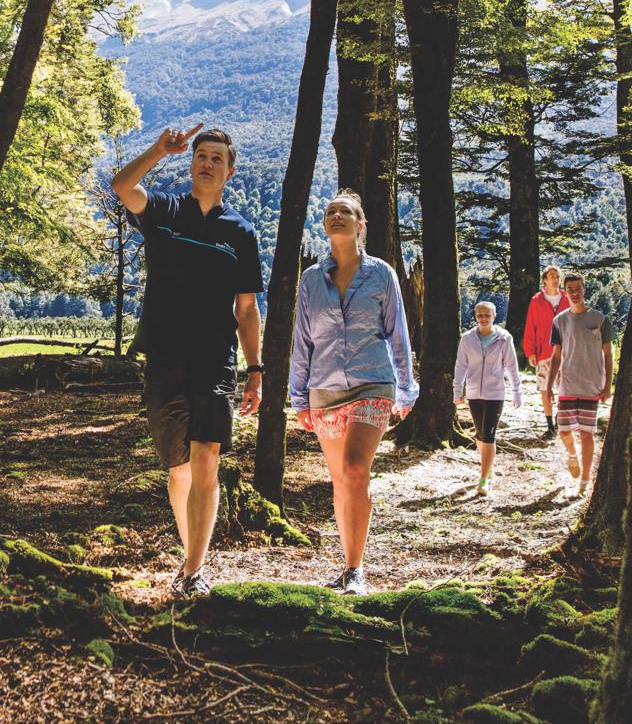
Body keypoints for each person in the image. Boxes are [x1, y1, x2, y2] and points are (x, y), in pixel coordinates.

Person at [111, 124, 263, 598]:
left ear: (229, 171)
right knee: (177, 468)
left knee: (206, 459)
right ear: (190, 162)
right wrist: (159, 149)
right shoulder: (165, 211)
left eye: (217, 158)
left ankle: (194, 572)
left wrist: (254, 370)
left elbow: (246, 308)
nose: (207, 162)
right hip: (164, 357)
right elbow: (121, 188)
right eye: (201, 155)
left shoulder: (241, 232)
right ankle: (190, 555)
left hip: (215, 360)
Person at [290, 191, 417, 596]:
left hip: (372, 383)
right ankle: (346, 568)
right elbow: (302, 340)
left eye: (345, 212)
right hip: (324, 388)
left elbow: (398, 333)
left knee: (355, 470)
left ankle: (356, 570)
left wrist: (406, 389)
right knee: (340, 482)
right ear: (325, 225)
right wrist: (298, 397)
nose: (337, 216)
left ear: (360, 225)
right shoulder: (311, 279)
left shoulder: (382, 274)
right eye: (331, 212)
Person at [543, 272, 615, 495]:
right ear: (566, 291)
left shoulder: (600, 319)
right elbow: (556, 356)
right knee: (564, 431)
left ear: (584, 289)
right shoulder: (560, 321)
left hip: (591, 385)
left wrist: (607, 385)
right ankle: (572, 455)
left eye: (578, 288)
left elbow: (609, 354)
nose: (575, 292)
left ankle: (584, 481)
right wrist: (547, 386)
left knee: (586, 433)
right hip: (567, 383)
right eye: (570, 289)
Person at [453, 301, 523, 496]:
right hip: (474, 393)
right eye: (480, 315)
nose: (483, 318)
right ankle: (488, 467)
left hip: (495, 394)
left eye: (487, 315)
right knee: (480, 436)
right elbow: (461, 366)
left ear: (494, 316)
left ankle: (483, 480)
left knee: (489, 435)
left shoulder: (503, 338)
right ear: (476, 316)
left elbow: (511, 367)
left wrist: (517, 392)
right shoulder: (467, 339)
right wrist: (457, 390)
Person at [523, 266, 571, 437]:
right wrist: (530, 352)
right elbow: (531, 326)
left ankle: (561, 417)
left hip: (566, 353)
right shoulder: (537, 300)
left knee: (566, 388)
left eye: (557, 276)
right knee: (545, 389)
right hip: (544, 353)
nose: (556, 279)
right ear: (544, 279)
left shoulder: (567, 298)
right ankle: (550, 426)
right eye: (552, 276)